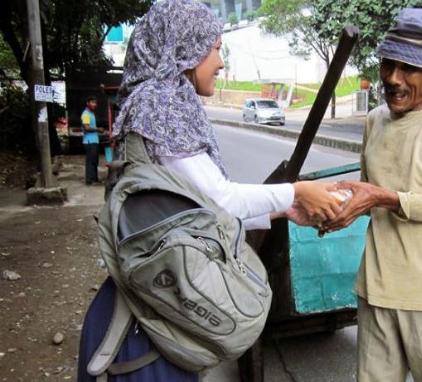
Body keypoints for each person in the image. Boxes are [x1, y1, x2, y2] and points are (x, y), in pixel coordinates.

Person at [77, 1, 339, 380]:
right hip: (153, 310)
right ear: (184, 46)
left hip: (158, 292)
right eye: (214, 48)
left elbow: (195, 211)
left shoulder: (158, 101)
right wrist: (295, 193)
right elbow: (220, 199)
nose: (220, 61)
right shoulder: (159, 103)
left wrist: (281, 211)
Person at [324, 8, 422, 382]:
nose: (393, 79)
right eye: (387, 65)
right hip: (375, 291)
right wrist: (332, 209)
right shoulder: (375, 120)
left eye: (408, 69)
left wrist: (383, 198)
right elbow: (368, 194)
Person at [81, 96, 104, 185]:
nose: (95, 104)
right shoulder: (86, 114)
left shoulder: (91, 113)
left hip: (94, 140)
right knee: (90, 161)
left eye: (95, 103)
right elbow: (86, 127)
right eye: (92, 102)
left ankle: (94, 179)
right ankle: (89, 180)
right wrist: (98, 129)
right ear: (88, 103)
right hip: (89, 141)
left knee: (94, 161)